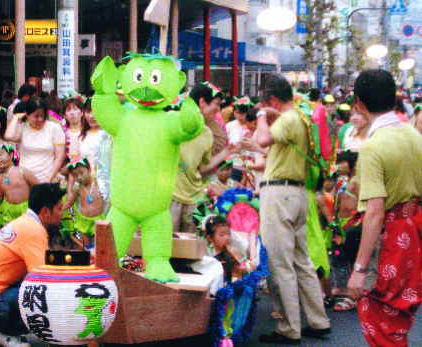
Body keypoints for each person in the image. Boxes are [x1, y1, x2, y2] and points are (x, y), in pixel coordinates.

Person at [347, 70, 422, 347]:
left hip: (389, 241)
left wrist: (359, 268)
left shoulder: (373, 147)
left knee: (379, 323)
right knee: (397, 322)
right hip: (413, 239)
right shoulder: (414, 136)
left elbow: (375, 213)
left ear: (359, 103)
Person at [256, 74, 330, 344]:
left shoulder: (286, 119)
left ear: (272, 99)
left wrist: (263, 116)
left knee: (281, 263)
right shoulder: (301, 117)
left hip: (279, 193)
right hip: (298, 193)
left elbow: (262, 141)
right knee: (302, 261)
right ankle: (318, 321)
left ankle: (289, 328)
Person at [0, 183, 65, 347]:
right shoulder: (34, 230)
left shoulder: (26, 222)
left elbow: (44, 264)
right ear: (45, 211)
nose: (62, 213)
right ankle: (2, 330)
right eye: (59, 208)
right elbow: (41, 277)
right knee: (50, 294)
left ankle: (2, 326)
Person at [171, 82, 239, 234]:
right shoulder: (173, 120)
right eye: (216, 104)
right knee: (167, 245)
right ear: (202, 102)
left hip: (193, 198)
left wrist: (227, 150)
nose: (218, 109)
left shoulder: (207, 132)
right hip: (170, 195)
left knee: (188, 248)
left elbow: (202, 168)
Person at [0, 144, 40, 230]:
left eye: (0, 154)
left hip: (26, 209)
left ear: (11, 155)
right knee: (11, 237)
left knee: (27, 234)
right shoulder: (0, 179)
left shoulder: (22, 171)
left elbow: (39, 187)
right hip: (9, 212)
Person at [4, 98, 66, 183]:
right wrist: (16, 117)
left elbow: (60, 156)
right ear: (27, 115)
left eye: (42, 116)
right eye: (36, 116)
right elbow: (8, 136)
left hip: (47, 178)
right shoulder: (23, 127)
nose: (40, 119)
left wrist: (49, 179)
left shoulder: (54, 128)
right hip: (24, 178)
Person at [79, 98, 111, 203]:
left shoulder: (108, 134)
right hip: (86, 184)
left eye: (96, 111)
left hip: (106, 185)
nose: (91, 116)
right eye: (88, 112)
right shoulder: (82, 136)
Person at [63, 158, 105, 237]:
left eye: (81, 173)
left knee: (100, 240)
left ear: (89, 169)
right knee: (80, 238)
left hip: (98, 220)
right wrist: (60, 210)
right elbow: (69, 203)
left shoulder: (98, 184)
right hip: (83, 221)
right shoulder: (77, 188)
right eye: (75, 175)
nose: (79, 177)